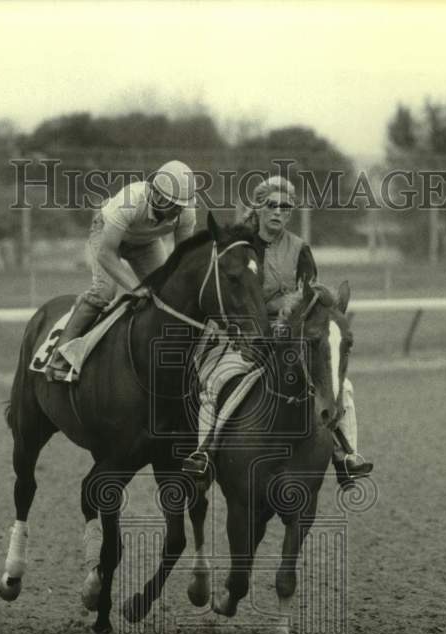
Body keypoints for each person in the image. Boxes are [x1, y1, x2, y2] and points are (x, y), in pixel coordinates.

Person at [181, 175, 373, 486]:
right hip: (244, 335)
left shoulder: (299, 249)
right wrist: (276, 305)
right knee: (216, 381)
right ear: (258, 207)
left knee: (343, 387)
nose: (278, 213)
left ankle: (346, 455)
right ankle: (205, 451)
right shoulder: (240, 245)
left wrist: (299, 306)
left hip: (288, 338)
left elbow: (306, 296)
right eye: (272, 205)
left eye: (286, 207)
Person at [47, 160, 198, 379]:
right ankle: (59, 359)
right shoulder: (130, 202)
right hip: (107, 235)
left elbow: (183, 259)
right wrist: (134, 287)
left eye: (181, 206)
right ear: (156, 195)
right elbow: (106, 254)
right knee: (104, 292)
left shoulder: (186, 213)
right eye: (173, 205)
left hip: (146, 243)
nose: (177, 211)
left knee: (169, 295)